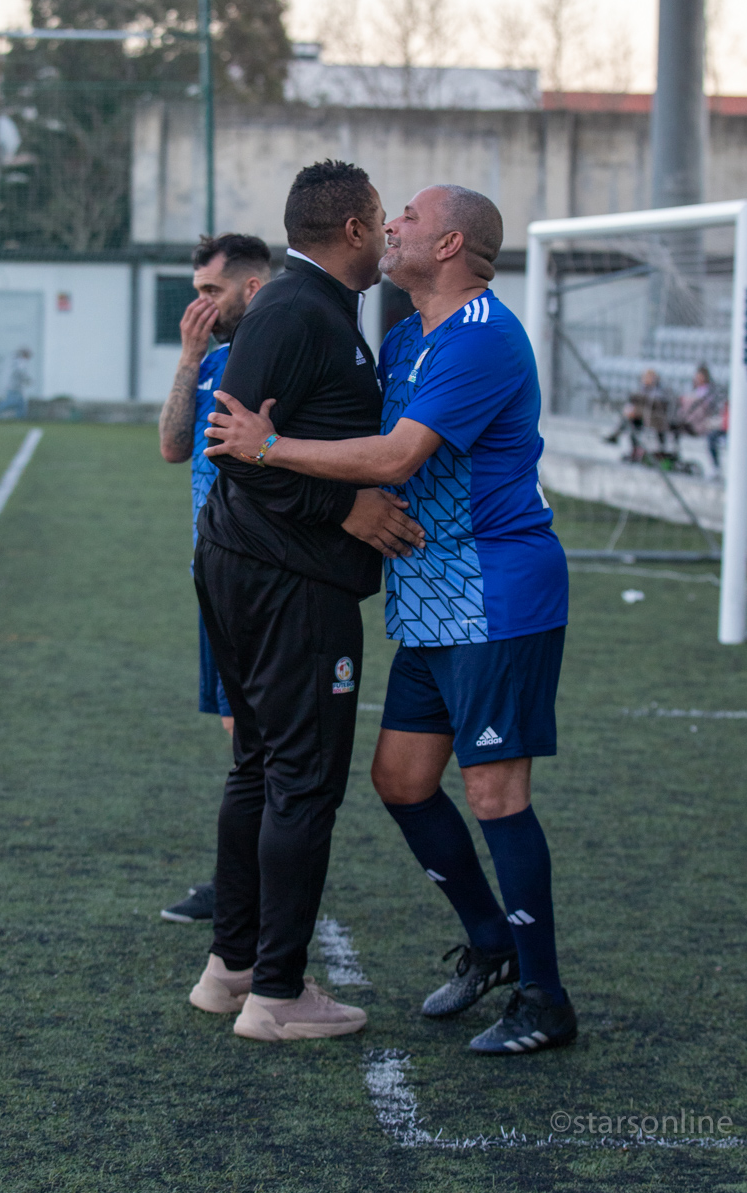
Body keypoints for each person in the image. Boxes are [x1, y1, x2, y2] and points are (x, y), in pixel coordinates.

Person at [207, 184, 577, 1057]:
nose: (390, 227)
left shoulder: (484, 335)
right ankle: (490, 942)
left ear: (450, 245)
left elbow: (398, 455)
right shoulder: (407, 333)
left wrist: (268, 446)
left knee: (495, 794)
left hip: (495, 593)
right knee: (402, 783)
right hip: (430, 596)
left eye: (407, 217)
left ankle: (545, 995)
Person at [189, 160, 426, 1040]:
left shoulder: (313, 306)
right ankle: (278, 996)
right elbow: (227, 443)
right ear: (357, 229)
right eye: (383, 218)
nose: (390, 232)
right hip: (283, 578)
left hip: (255, 566)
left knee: (259, 764)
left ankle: (233, 967)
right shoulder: (297, 309)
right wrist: (347, 504)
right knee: (301, 778)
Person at [158, 233, 272, 923]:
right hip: (214, 573)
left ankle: (251, 891)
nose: (198, 304)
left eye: (210, 293)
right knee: (240, 731)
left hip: (261, 575)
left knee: (262, 737)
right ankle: (242, 882)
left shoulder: (275, 354)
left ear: (250, 289)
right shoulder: (210, 361)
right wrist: (190, 358)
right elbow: (173, 446)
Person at [604, 368, 671, 459]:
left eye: (649, 377)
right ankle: (633, 449)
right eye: (645, 377)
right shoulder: (642, 389)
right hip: (641, 417)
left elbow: (655, 405)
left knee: (632, 415)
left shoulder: (658, 391)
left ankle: (617, 434)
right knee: (632, 421)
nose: (646, 380)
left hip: (654, 418)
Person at [672, 364, 724, 473]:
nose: (698, 379)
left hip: (701, 422)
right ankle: (674, 456)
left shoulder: (709, 392)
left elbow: (706, 408)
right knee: (673, 426)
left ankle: (715, 467)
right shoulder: (695, 390)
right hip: (690, 420)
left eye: (700, 376)